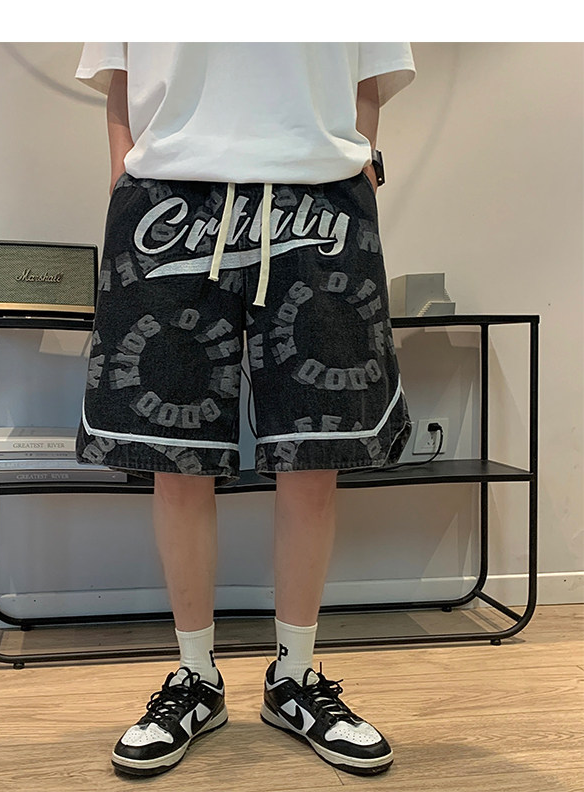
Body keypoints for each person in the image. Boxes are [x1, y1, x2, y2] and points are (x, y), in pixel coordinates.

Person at [74, 42, 415, 778]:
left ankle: (294, 677)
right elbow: (121, 75)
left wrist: (360, 163)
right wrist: (123, 178)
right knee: (177, 456)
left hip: (320, 195)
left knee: (315, 455)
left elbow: (368, 71)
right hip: (170, 194)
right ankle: (196, 677)